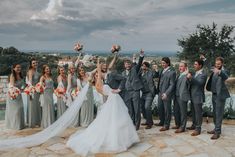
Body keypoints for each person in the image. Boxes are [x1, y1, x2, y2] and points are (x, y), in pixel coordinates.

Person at [67, 59, 139, 156]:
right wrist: (98, 66)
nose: (97, 75)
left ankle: (124, 138)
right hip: (112, 100)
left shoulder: (109, 76)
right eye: (96, 75)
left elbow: (123, 79)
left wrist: (119, 89)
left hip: (115, 98)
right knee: (113, 119)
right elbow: (102, 83)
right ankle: (115, 138)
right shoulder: (101, 82)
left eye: (98, 74)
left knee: (119, 118)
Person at [206, 57, 230, 139]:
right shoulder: (214, 68)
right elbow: (209, 66)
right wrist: (205, 59)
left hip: (220, 95)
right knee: (215, 113)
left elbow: (226, 76)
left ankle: (217, 132)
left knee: (219, 114)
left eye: (219, 64)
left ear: (222, 64)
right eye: (216, 64)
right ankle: (216, 129)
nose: (217, 65)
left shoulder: (224, 71)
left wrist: (219, 71)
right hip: (214, 94)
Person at [122, 50, 144, 130]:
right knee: (130, 110)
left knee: (136, 109)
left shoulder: (134, 69)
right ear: (124, 65)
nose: (127, 65)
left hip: (135, 92)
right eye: (126, 64)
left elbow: (139, 63)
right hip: (127, 93)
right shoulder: (123, 73)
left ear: (130, 64)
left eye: (128, 64)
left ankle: (137, 125)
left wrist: (141, 56)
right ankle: (132, 124)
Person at [187, 59, 207, 136]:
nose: (194, 65)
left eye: (195, 64)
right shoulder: (196, 73)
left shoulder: (203, 74)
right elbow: (192, 83)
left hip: (198, 96)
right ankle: (194, 125)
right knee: (194, 112)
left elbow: (200, 83)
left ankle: (198, 129)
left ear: (200, 65)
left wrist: (191, 77)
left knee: (198, 113)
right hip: (192, 96)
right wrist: (188, 79)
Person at [156, 57, 176, 131]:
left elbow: (172, 85)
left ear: (168, 63)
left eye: (164, 63)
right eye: (162, 63)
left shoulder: (172, 72)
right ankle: (162, 121)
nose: (162, 64)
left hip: (167, 94)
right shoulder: (162, 71)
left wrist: (166, 93)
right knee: (160, 108)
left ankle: (166, 125)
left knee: (167, 110)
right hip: (160, 92)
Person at [5, 64, 25, 130]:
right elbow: (12, 87)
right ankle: (15, 125)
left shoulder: (20, 75)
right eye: (17, 67)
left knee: (20, 108)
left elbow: (21, 86)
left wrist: (24, 89)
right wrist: (17, 91)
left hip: (18, 94)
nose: (19, 68)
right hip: (13, 94)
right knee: (16, 110)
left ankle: (20, 125)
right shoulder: (12, 76)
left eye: (20, 67)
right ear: (13, 68)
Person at [140, 61, 159, 129]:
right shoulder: (140, 73)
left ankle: (150, 123)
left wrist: (156, 70)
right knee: (142, 107)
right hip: (143, 93)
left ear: (147, 67)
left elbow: (156, 75)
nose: (143, 67)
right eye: (142, 66)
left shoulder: (151, 72)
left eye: (144, 66)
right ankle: (147, 120)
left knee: (147, 107)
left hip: (149, 93)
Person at [174, 61, 190, 133]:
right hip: (176, 95)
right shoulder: (179, 75)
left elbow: (188, 83)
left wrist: (187, 74)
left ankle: (182, 127)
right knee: (176, 111)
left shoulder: (186, 75)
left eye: (182, 66)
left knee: (183, 112)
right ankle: (178, 124)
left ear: (185, 68)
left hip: (182, 96)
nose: (180, 68)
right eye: (179, 66)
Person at [26, 58, 41, 128]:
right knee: (32, 106)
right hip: (32, 91)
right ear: (31, 65)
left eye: (36, 63)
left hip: (37, 91)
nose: (35, 64)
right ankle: (32, 122)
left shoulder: (37, 72)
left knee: (37, 106)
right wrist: (32, 91)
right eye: (33, 63)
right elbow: (30, 83)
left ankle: (37, 121)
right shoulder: (30, 71)